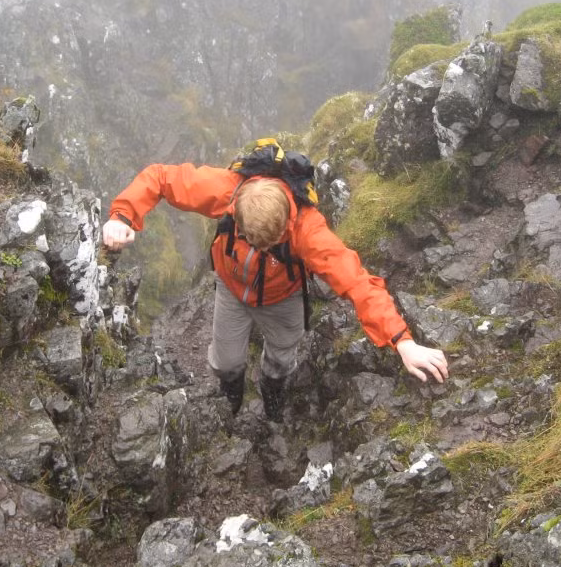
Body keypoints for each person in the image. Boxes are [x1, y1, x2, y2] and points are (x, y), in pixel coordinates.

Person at [102, 161, 449, 422]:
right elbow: (161, 177)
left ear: (287, 224)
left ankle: (272, 390)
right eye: (252, 239)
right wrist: (122, 216)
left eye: (271, 243)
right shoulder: (226, 191)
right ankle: (231, 396)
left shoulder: (308, 231)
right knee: (226, 362)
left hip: (283, 297)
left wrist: (402, 341)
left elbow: (358, 283)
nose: (261, 247)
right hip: (232, 288)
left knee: (283, 356)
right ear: (235, 213)